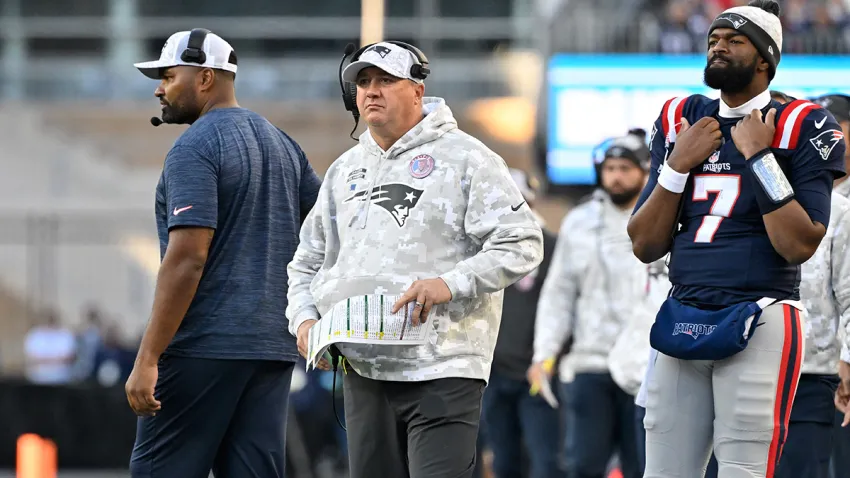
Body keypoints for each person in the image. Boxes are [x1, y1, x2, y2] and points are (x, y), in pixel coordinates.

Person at [286, 40, 544, 478]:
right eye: (363, 82)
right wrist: (305, 321)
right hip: (364, 369)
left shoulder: (469, 158)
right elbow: (305, 262)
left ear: (418, 91)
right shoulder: (344, 170)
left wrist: (449, 284)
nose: (371, 90)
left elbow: (522, 242)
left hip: (442, 365)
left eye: (386, 80)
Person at [628, 0, 847, 476]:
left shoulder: (804, 124)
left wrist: (759, 157)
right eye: (713, 40)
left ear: (765, 58)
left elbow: (799, 244)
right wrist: (676, 165)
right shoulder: (681, 116)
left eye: (734, 41)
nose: (718, 48)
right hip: (684, 309)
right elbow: (644, 243)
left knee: (744, 469)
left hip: (762, 313)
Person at [125, 29, 321, 478]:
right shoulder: (285, 145)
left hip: (204, 347)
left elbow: (188, 258)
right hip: (271, 348)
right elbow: (326, 233)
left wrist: (148, 357)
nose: (159, 88)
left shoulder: (195, 147)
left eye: (169, 76)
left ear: (206, 77)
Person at [528, 131, 655, 478]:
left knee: (643, 467)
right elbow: (559, 294)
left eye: (625, 168)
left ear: (645, 171)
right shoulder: (579, 221)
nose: (616, 176)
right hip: (589, 362)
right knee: (582, 465)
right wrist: (544, 354)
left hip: (645, 367)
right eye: (610, 167)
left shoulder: (663, 218)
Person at [481, 168, 561, 478]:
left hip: (537, 372)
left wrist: (550, 358)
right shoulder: (486, 249)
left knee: (545, 463)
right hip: (495, 372)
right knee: (504, 461)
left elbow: (563, 307)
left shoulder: (553, 247)